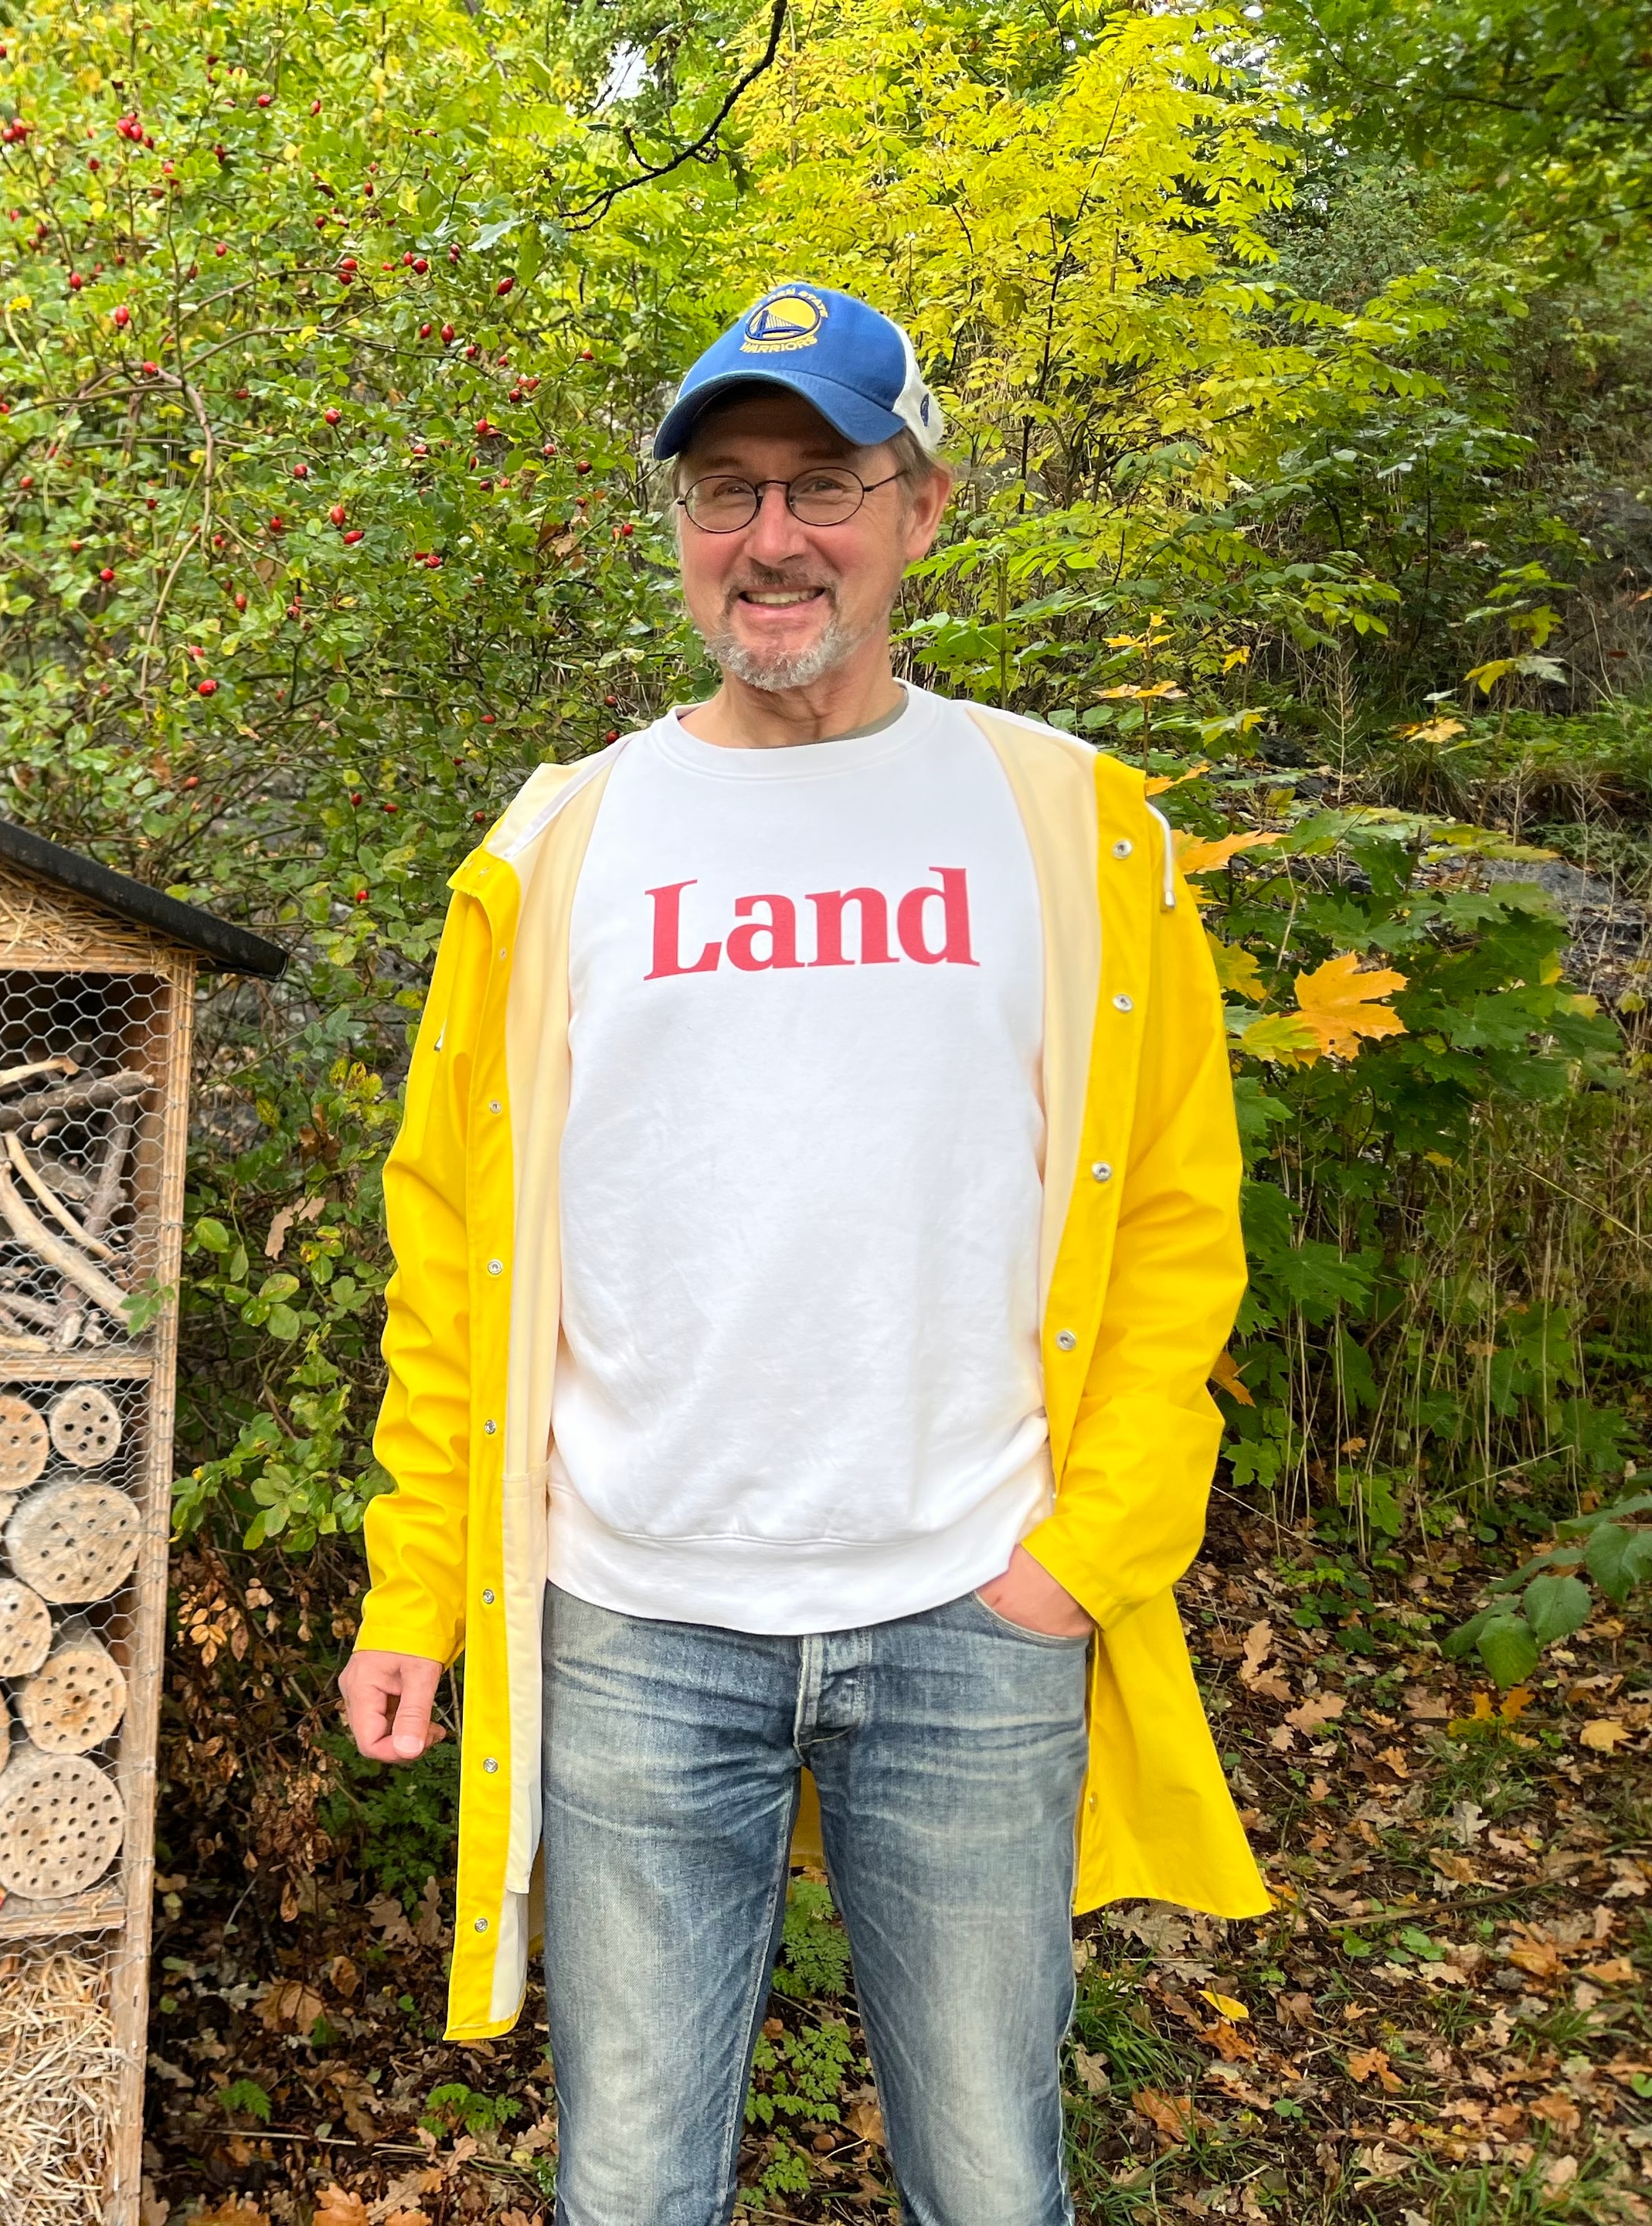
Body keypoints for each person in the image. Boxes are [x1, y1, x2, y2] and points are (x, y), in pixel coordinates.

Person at [335, 283, 1270, 2226]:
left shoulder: (1074, 824)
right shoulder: (559, 847)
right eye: (726, 491)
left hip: (972, 1605)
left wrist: (1082, 1562)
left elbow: (1178, 1222)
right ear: (681, 526)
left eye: (824, 483)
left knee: (993, 2177)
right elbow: (454, 1257)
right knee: (630, 2182)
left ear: (922, 506)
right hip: (634, 1612)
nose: (772, 538)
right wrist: (417, 1583)